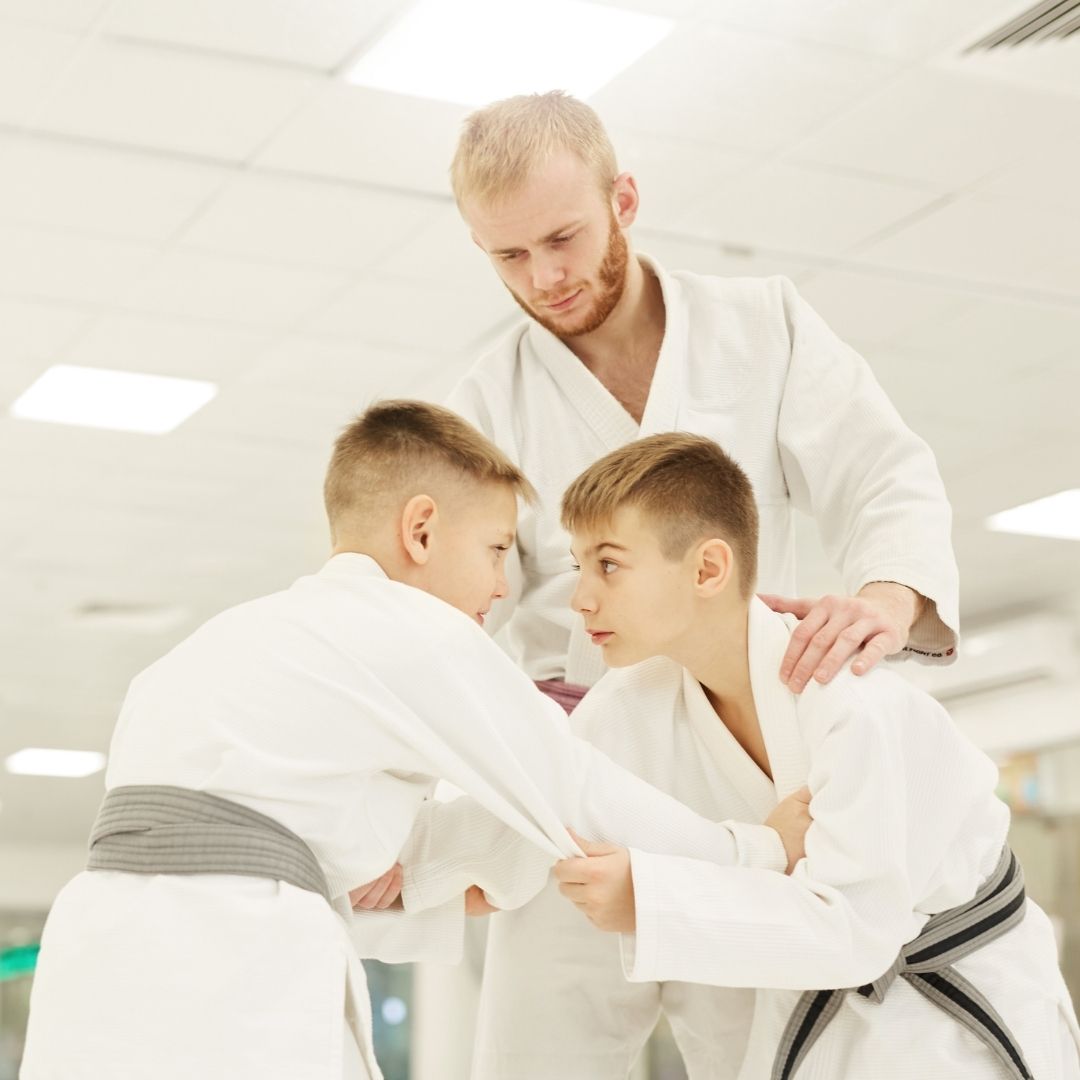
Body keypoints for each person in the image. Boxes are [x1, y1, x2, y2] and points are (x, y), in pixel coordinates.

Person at [19, 403, 810, 1080]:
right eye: (498, 549)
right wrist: (754, 851)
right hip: (227, 957)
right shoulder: (413, 630)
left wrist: (418, 878)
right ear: (422, 531)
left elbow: (272, 831)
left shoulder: (219, 647)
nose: (505, 586)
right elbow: (570, 786)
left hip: (94, 955)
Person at [480, 432, 1080, 1079]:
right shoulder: (620, 712)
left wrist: (650, 901)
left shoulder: (849, 702)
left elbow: (857, 931)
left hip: (949, 1023)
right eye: (578, 567)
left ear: (708, 569)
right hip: (793, 1023)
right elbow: (554, 855)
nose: (580, 600)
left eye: (609, 565)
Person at [445, 91, 960, 710]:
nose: (543, 278)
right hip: (583, 730)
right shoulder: (486, 402)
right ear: (481, 247)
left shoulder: (762, 324)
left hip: (755, 716)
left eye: (562, 239)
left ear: (622, 201)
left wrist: (888, 601)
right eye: (511, 255)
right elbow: (446, 603)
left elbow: (884, 475)